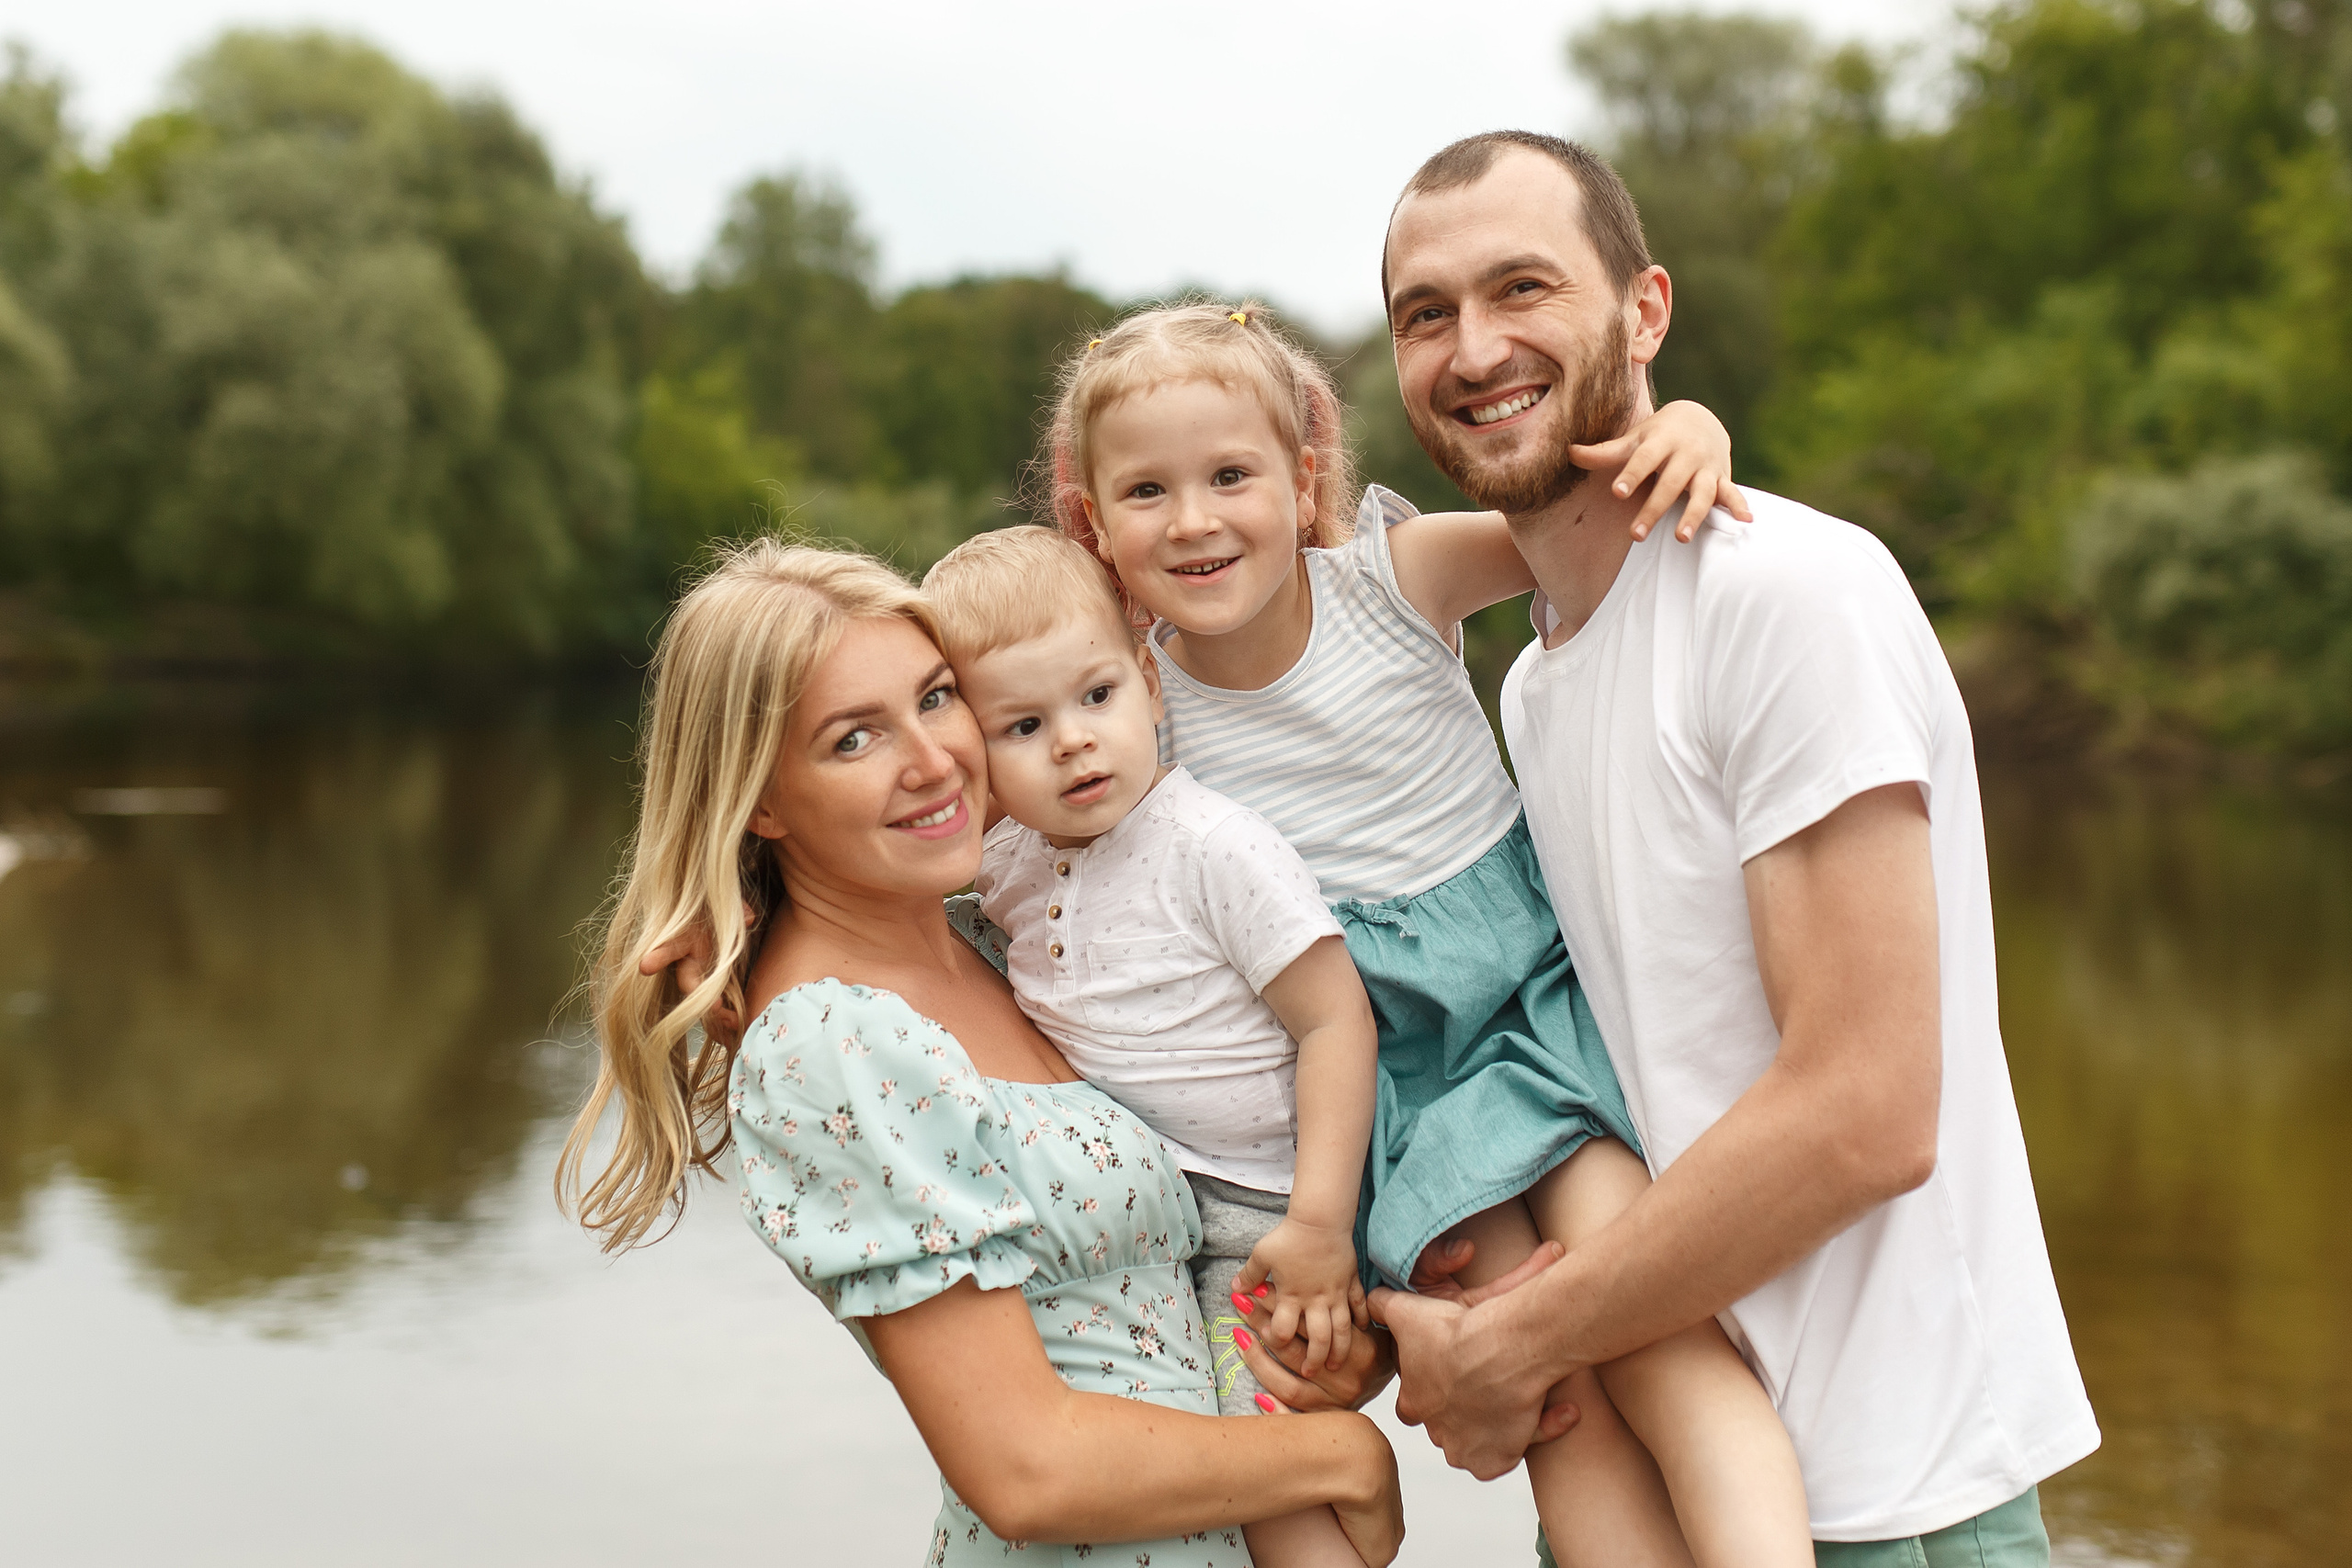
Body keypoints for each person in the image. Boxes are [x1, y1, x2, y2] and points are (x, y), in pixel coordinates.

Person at [1369, 130, 2100, 1567]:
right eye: (1425, 312)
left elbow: (1866, 1106)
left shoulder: (1784, 594)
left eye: (1525, 287)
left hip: (1899, 1497)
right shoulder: (1530, 678)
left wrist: (1516, 1340)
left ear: (1645, 312)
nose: (1474, 347)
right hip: (1672, 1483)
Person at [1044, 301, 1812, 1568]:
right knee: (1565, 1417)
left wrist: (1685, 420)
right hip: (1379, 1083)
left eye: (1231, 475)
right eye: (1147, 491)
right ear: (1090, 523)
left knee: (1662, 1339)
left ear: (1300, 481)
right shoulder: (1130, 700)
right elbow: (966, 760)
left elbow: (1597, 504)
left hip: (1531, 1008)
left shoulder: (1396, 579)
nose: (1192, 519)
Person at [557, 540, 1406, 1568]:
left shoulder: (998, 937)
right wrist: (1345, 1456)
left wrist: (1318, 1352)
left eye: (938, 698)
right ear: (763, 800)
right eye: (854, 737)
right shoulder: (829, 1044)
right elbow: (1026, 1470)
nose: (934, 759)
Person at [922, 524, 1381, 1568]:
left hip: (1260, 1209)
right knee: (1155, 1444)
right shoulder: (1005, 866)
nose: (1074, 741)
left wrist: (1319, 1221)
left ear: (1149, 682)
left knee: (1261, 1464)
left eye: (1097, 697)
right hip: (1141, 1221)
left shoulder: (1214, 846)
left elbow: (1334, 1018)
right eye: (1023, 725)